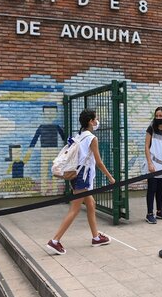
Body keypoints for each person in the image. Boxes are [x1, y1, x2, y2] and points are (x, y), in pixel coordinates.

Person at [46, 109, 115, 255]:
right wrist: (110, 177)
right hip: (82, 177)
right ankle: (55, 241)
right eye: (96, 119)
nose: (97, 122)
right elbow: (99, 162)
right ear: (90, 121)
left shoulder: (79, 136)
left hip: (76, 176)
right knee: (75, 209)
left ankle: (96, 237)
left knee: (91, 204)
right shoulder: (91, 138)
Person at [144, 106, 162, 224]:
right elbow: (146, 146)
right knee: (152, 189)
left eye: (160, 116)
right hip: (153, 163)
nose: (158, 118)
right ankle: (149, 213)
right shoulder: (151, 128)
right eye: (156, 116)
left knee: (160, 189)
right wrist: (149, 163)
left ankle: (159, 211)